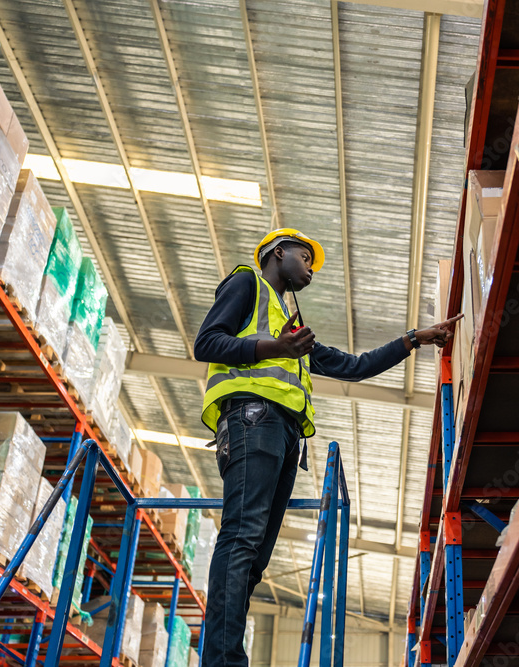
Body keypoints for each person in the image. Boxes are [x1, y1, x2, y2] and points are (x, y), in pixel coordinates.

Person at [194, 228, 461, 666]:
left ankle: (226, 655)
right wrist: (271, 347)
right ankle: (222, 661)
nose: (312, 269)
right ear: (278, 254)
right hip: (250, 420)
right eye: (305, 257)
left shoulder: (292, 329)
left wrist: (414, 338)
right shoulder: (247, 284)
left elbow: (353, 367)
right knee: (241, 538)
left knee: (255, 557)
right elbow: (207, 342)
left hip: (283, 434)